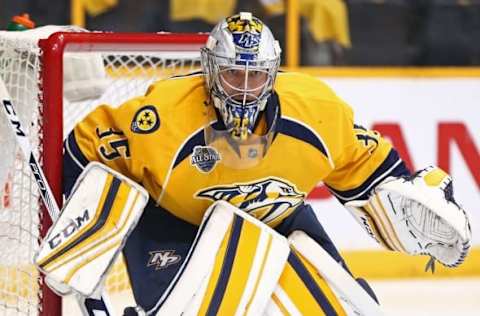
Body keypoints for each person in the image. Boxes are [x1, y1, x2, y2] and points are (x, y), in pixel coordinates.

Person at [62, 12, 471, 315]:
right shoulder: (160, 118)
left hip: (278, 220)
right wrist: (80, 243)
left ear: (273, 74)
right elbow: (84, 150)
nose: (243, 89)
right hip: (175, 226)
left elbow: (369, 166)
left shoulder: (317, 110)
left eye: (254, 76)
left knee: (348, 307)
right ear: (209, 70)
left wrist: (407, 189)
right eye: (232, 76)